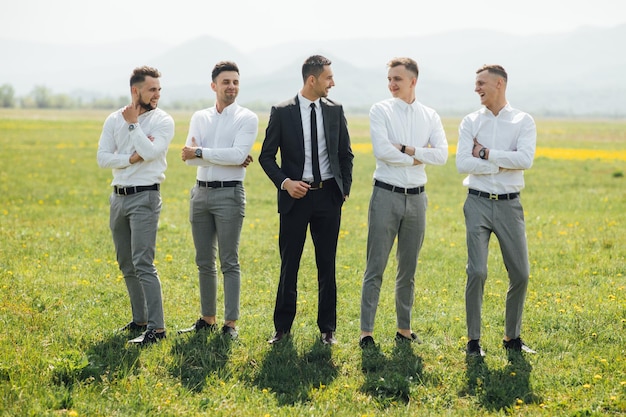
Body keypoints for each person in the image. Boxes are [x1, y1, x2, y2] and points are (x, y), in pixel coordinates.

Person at [259, 55, 354, 345]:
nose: (333, 83)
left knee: (328, 265)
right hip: (294, 200)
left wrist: (344, 189)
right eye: (328, 78)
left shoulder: (335, 111)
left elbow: (345, 154)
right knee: (290, 265)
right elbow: (266, 156)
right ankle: (282, 329)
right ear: (312, 80)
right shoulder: (282, 111)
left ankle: (328, 330)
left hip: (328, 198)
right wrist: (286, 184)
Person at [359, 58, 448, 349]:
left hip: (418, 198)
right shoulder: (380, 110)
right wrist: (420, 155)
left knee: (408, 268)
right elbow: (383, 151)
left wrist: (406, 149)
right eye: (389, 78)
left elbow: (443, 155)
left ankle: (404, 329)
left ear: (413, 81)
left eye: (397, 78)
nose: (391, 84)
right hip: (386, 194)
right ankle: (366, 332)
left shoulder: (430, 115)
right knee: (376, 266)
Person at [456, 64, 537, 357]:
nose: (476, 88)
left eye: (481, 83)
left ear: (499, 84)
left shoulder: (523, 121)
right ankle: (473, 342)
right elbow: (463, 163)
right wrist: (503, 162)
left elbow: (525, 159)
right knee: (476, 271)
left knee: (521, 273)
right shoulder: (470, 121)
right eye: (476, 83)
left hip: (509, 205)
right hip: (476, 201)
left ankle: (511, 337)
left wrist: (485, 153)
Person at [179, 61, 258, 340]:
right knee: (203, 260)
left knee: (229, 260)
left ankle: (230, 324)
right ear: (214, 86)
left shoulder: (247, 118)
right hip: (200, 193)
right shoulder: (200, 117)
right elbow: (188, 162)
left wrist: (201, 152)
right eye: (226, 82)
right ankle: (207, 318)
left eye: (236, 82)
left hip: (230, 193)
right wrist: (219, 155)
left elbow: (237, 156)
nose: (232, 87)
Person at [97, 66, 175, 345]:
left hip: (145, 197)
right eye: (152, 89)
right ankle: (140, 320)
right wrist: (128, 159)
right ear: (135, 90)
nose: (157, 95)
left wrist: (133, 126)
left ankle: (158, 328)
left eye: (158, 90)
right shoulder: (112, 119)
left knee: (143, 262)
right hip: (118, 198)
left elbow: (151, 152)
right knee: (125, 262)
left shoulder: (163, 121)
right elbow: (103, 158)